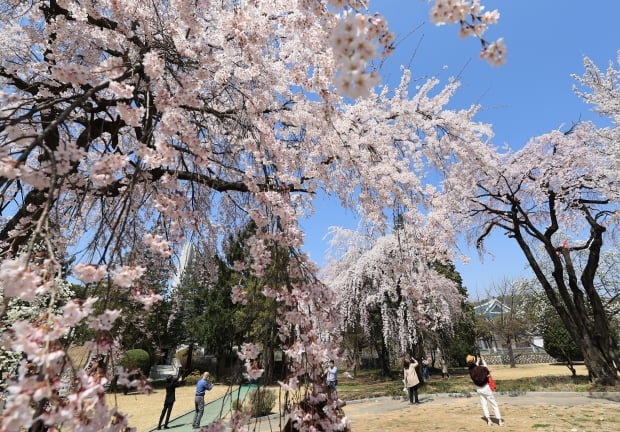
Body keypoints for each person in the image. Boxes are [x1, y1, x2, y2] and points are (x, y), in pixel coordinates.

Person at [466, 354, 505, 427]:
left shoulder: (470, 371)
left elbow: (475, 368)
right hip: (486, 387)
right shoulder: (482, 368)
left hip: (479, 389)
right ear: (474, 361)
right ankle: (499, 421)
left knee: (484, 404)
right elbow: (487, 370)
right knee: (493, 403)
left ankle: (489, 421)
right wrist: (483, 360)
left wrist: (477, 361)